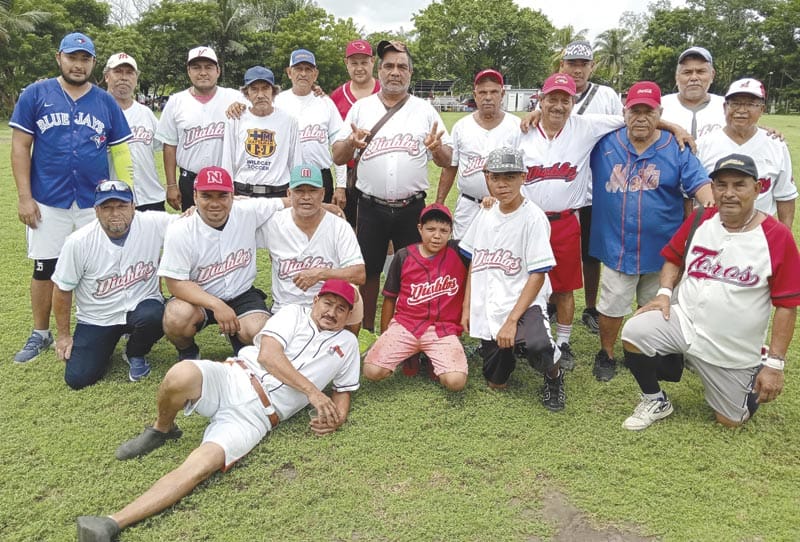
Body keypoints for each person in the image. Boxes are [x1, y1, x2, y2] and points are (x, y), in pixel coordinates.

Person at [76, 279, 361, 541]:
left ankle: (112, 522)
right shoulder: (292, 314)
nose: (332, 312)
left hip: (258, 416)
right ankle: (162, 429)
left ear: (348, 316)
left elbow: (343, 390)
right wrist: (312, 391)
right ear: (315, 301)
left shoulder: (347, 344)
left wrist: (338, 417)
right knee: (181, 374)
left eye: (341, 309)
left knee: (201, 466)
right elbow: (268, 355)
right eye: (328, 303)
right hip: (233, 377)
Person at [619, 153, 800, 430]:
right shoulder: (701, 218)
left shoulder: (776, 236)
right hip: (686, 323)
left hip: (732, 348)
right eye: (721, 185)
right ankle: (655, 399)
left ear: (758, 188)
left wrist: (775, 364)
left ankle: (754, 365)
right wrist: (665, 293)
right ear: (712, 188)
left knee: (730, 422)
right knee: (635, 331)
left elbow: (787, 305)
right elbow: (673, 257)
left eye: (739, 185)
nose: (728, 193)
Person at [10, 32, 133, 364]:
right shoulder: (36, 94)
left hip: (94, 200)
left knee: (102, 264)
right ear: (59, 58)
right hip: (48, 199)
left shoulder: (105, 101)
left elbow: (119, 150)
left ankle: (103, 326)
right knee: (44, 267)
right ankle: (40, 333)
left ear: (93, 62)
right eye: (72, 57)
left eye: (85, 59)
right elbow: (21, 146)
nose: (78, 65)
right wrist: (24, 197)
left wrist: (125, 195)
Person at [589, 81, 714, 382]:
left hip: (662, 249)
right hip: (617, 244)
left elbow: (700, 184)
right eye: (635, 110)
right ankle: (606, 353)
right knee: (612, 304)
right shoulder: (605, 143)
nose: (641, 117)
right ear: (625, 112)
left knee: (656, 304)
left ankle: (648, 352)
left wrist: (712, 208)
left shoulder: (676, 147)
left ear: (659, 112)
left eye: (649, 111)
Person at [332, 39, 452, 333]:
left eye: (402, 67)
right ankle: (366, 331)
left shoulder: (425, 111)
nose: (395, 72)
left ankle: (410, 329)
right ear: (380, 71)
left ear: (410, 73)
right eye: (389, 66)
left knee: (415, 271)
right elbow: (336, 154)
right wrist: (350, 142)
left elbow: (448, 158)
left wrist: (436, 149)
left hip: (412, 207)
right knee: (368, 272)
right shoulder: (362, 109)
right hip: (370, 206)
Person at [518, 72, 624, 370]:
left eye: (565, 100)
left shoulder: (585, 127)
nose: (559, 105)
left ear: (573, 102)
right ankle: (524, 337)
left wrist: (674, 127)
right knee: (523, 281)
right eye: (552, 98)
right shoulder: (522, 130)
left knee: (564, 287)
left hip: (565, 221)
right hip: (528, 221)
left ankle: (563, 343)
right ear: (541, 99)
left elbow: (632, 118)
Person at [460, 147, 565, 411]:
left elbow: (538, 275)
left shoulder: (533, 218)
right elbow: (474, 261)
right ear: (487, 178)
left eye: (509, 176)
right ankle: (509, 347)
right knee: (496, 382)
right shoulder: (485, 212)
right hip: (492, 299)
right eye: (495, 177)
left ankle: (554, 377)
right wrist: (466, 307)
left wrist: (511, 321)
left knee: (539, 346)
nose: (502, 184)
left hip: (523, 301)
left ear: (523, 177)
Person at [52, 181, 175, 389]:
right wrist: (64, 335)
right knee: (78, 379)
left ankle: (135, 352)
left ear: (133, 207)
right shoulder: (78, 242)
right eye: (107, 207)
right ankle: (103, 347)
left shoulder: (153, 223)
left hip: (141, 306)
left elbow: (193, 223)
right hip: (98, 318)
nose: (115, 213)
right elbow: (62, 289)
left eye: (121, 206)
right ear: (96, 210)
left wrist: (237, 202)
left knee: (156, 315)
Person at [158, 166, 286, 360]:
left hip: (241, 294)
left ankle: (237, 335)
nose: (215, 203)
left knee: (261, 332)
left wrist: (329, 208)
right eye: (207, 196)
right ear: (195, 197)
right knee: (176, 317)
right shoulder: (180, 229)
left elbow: (290, 202)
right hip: (199, 297)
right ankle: (188, 351)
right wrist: (216, 305)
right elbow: (175, 283)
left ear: (233, 196)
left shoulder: (247, 210)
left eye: (222, 195)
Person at [363, 203, 469, 392]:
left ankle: (430, 357)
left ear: (451, 232)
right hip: (407, 325)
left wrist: (489, 208)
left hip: (442, 329)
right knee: (372, 371)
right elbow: (390, 297)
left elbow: (485, 236)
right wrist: (385, 334)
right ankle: (411, 354)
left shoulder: (459, 252)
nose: (437, 235)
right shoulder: (404, 255)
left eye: (444, 230)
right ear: (420, 229)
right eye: (430, 229)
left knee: (455, 382)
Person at [559, 39, 624, 334]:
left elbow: (627, 123)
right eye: (572, 63)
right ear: (563, 65)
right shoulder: (554, 92)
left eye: (583, 64)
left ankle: (590, 307)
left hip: (598, 184)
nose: (577, 69)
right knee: (557, 248)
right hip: (562, 185)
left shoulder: (606, 95)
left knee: (590, 252)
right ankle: (553, 300)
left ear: (592, 66)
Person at [258, 164, 365, 313]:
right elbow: (237, 212)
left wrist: (320, 274)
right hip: (285, 309)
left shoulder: (339, 226)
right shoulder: (274, 223)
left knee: (355, 298)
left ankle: (345, 332)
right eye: (299, 191)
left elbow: (359, 274)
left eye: (313, 191)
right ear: (289, 194)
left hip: (327, 310)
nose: (306, 197)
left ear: (322, 194)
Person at [697, 78, 796, 228]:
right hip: (712, 233)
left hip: (760, 233)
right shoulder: (703, 145)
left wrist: (784, 238)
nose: (742, 110)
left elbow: (785, 196)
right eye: (735, 103)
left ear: (762, 109)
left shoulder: (776, 146)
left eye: (750, 104)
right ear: (725, 107)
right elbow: (688, 197)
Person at [435, 69, 522, 239]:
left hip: (504, 205)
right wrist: (439, 203)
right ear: (475, 95)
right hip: (469, 204)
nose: (488, 97)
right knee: (463, 257)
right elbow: (451, 167)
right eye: (482, 92)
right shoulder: (462, 126)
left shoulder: (516, 126)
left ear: (502, 94)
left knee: (499, 254)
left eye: (494, 92)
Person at [156, 46, 242, 211]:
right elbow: (169, 146)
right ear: (188, 71)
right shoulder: (176, 101)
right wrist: (172, 185)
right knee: (192, 230)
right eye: (196, 67)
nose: (203, 72)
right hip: (190, 179)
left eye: (208, 67)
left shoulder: (235, 97)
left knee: (229, 230)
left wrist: (243, 107)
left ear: (218, 71)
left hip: (227, 179)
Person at [274, 49, 346, 204]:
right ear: (289, 72)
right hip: (286, 177)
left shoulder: (325, 103)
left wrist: (340, 186)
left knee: (322, 225)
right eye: (298, 69)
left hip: (320, 176)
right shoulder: (277, 102)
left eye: (308, 69)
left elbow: (339, 145)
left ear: (315, 74)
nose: (303, 74)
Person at [221, 66, 302, 198]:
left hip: (279, 193)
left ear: (273, 91)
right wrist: (227, 193)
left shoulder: (289, 121)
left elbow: (296, 161)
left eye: (265, 88)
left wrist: (296, 191)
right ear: (247, 93)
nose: (260, 95)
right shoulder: (236, 119)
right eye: (254, 89)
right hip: (243, 192)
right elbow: (227, 160)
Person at [103, 52, 166, 211]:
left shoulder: (146, 113)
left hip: (150, 197)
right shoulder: (96, 112)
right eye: (117, 72)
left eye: (129, 73)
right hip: (112, 198)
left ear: (136, 78)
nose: (124, 77)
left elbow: (165, 147)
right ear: (106, 76)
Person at [330, 39, 381, 226]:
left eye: (364, 62)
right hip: (351, 173)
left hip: (380, 170)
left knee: (384, 233)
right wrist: (341, 186)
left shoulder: (386, 92)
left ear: (373, 62)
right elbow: (336, 144)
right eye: (354, 63)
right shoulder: (336, 97)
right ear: (346, 63)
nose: (359, 68)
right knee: (351, 228)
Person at [660, 46, 725, 139]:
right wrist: (669, 126)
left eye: (701, 72)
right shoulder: (660, 106)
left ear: (712, 75)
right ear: (676, 77)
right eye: (687, 72)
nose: (694, 78)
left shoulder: (727, 107)